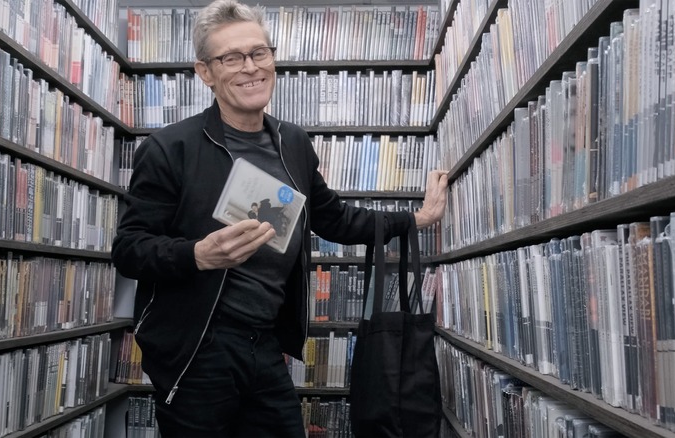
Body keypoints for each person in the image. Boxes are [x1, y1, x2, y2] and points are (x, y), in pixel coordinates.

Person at [110, 0, 448, 436]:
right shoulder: (169, 149)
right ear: (205, 72)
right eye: (231, 57)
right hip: (197, 349)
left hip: (265, 343)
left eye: (259, 53)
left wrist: (416, 220)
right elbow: (129, 249)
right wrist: (197, 254)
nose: (250, 67)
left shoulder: (294, 144)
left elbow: (336, 219)